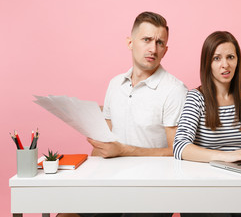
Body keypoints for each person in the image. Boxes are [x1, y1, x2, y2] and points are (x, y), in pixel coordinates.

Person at [57, 12, 187, 217]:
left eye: (160, 43)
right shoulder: (115, 84)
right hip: (111, 183)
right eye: (146, 40)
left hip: (153, 191)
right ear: (130, 42)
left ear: (166, 50)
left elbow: (177, 151)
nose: (153, 48)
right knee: (65, 214)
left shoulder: (175, 90)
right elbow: (105, 140)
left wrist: (124, 151)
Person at [173, 31, 241, 217]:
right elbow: (180, 147)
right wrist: (226, 156)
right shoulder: (196, 98)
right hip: (203, 187)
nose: (225, 65)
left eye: (231, 57)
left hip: (240, 183)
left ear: (238, 61)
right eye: (217, 58)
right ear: (208, 63)